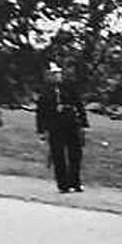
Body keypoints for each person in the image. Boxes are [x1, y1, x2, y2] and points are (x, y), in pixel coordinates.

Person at [35, 61, 88, 193]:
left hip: (71, 123)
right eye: (53, 74)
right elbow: (41, 112)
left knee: (75, 154)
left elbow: (79, 104)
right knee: (58, 155)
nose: (56, 76)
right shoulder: (45, 92)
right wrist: (41, 130)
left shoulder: (69, 87)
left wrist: (83, 123)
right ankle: (63, 184)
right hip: (55, 125)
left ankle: (75, 181)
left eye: (58, 73)